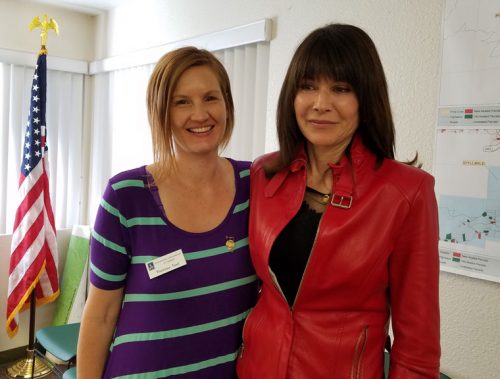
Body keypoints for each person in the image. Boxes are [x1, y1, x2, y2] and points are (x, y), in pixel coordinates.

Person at [237, 24, 440, 378]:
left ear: (366, 97)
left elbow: (418, 344)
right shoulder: (263, 174)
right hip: (257, 368)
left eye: (341, 89)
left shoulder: (407, 192)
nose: (320, 104)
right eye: (308, 86)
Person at [77, 47, 258, 378]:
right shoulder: (124, 197)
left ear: (227, 105)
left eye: (210, 98)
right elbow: (100, 315)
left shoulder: (256, 184)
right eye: (181, 102)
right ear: (160, 111)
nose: (200, 113)